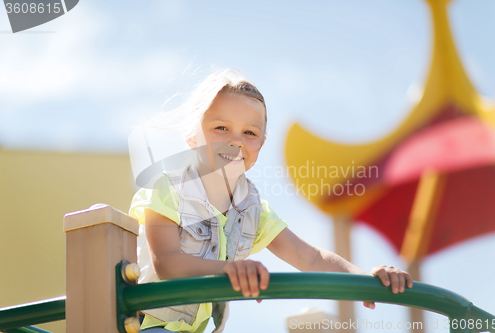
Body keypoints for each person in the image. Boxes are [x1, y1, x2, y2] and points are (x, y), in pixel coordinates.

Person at [129, 69, 413, 333]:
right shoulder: (167, 189)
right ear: (193, 135)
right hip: (149, 326)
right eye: (221, 128)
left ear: (261, 144)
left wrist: (364, 277)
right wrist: (231, 269)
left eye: (249, 133)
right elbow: (167, 263)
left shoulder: (252, 211)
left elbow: (310, 257)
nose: (236, 141)